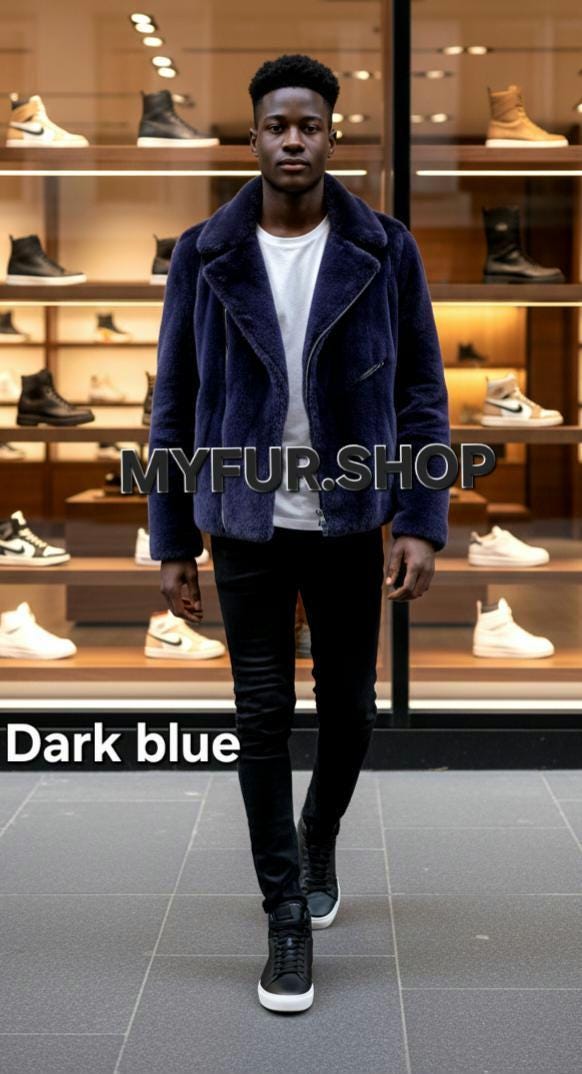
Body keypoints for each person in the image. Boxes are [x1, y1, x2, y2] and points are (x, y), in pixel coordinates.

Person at [147, 53, 450, 1014]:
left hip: (350, 518)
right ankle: (284, 910)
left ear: (331, 135)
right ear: (253, 138)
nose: (292, 141)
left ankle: (317, 836)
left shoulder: (383, 247)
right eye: (277, 126)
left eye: (308, 126)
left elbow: (422, 391)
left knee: (352, 712)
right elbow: (174, 402)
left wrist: (421, 520)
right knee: (261, 715)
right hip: (244, 520)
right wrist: (172, 540)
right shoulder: (205, 252)